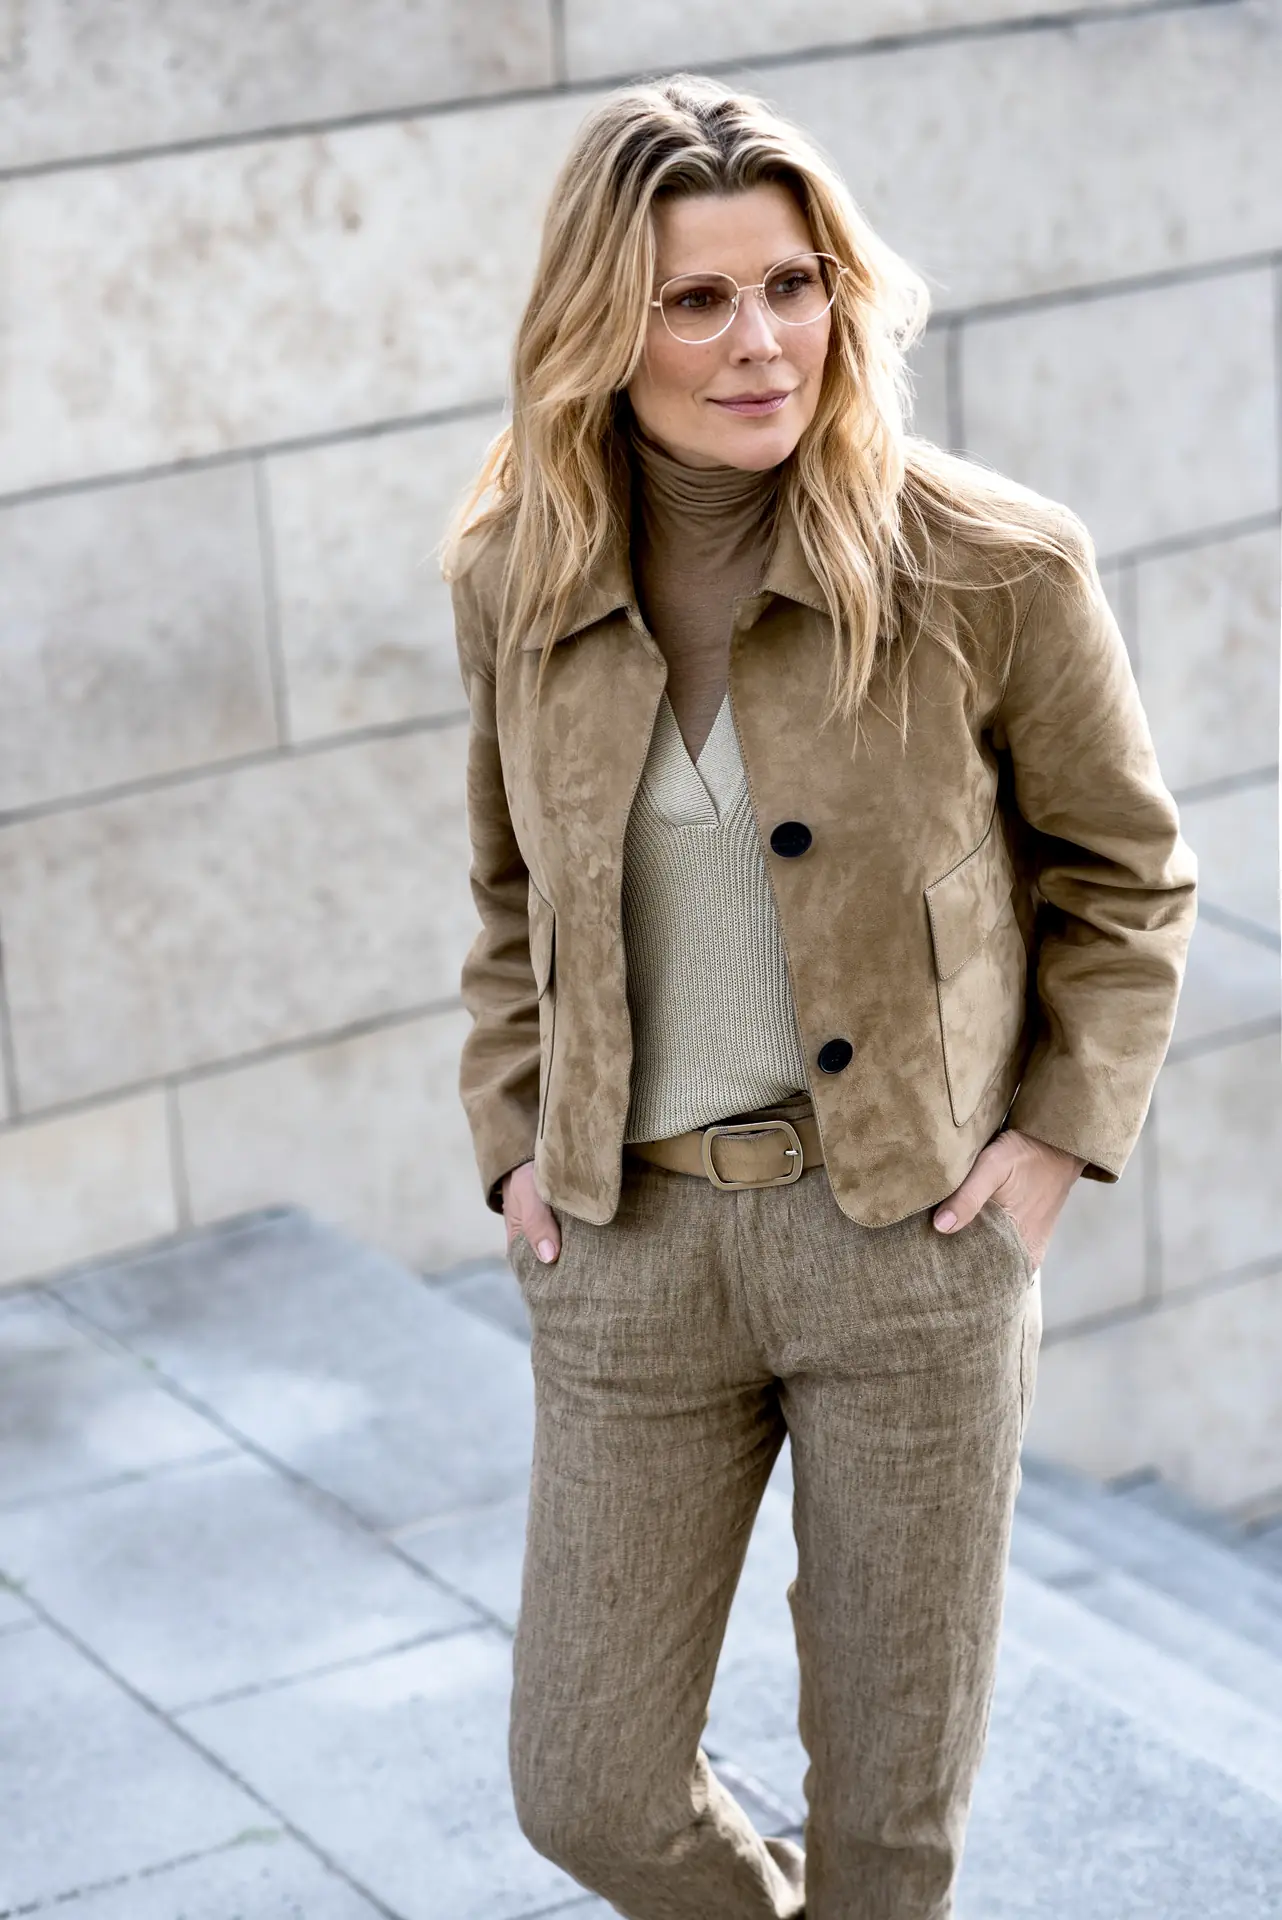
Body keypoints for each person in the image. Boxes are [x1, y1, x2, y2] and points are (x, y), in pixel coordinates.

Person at [443, 72, 1196, 1920]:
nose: (760, 341)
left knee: (890, 1822)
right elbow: (510, 893)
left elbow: (1125, 879)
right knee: (586, 1790)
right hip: (629, 1254)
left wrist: (1046, 1152)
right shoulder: (515, 575)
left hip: (908, 1249)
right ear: (601, 325)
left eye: (792, 285)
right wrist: (515, 1144)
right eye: (696, 300)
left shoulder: (988, 566)